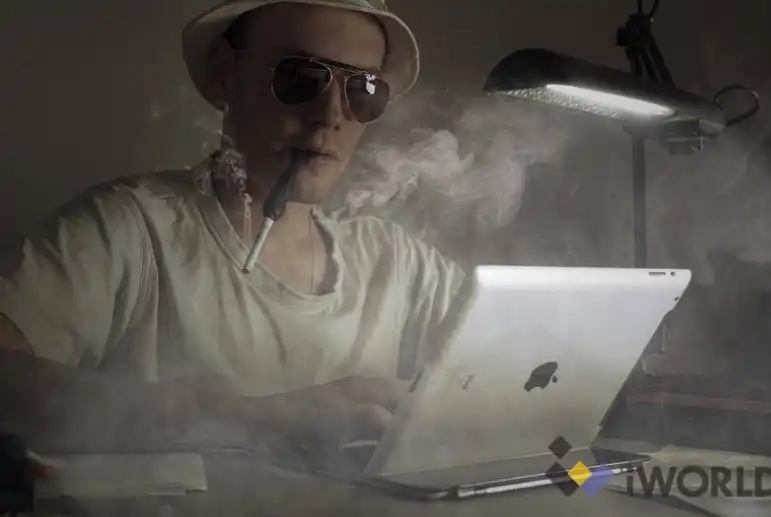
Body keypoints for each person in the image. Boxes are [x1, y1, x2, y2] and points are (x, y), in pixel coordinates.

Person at [0, 0, 464, 458]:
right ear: (227, 74)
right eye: (301, 77)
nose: (330, 116)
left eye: (363, 90)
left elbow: (502, 379)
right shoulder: (128, 231)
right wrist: (249, 420)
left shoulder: (397, 263)